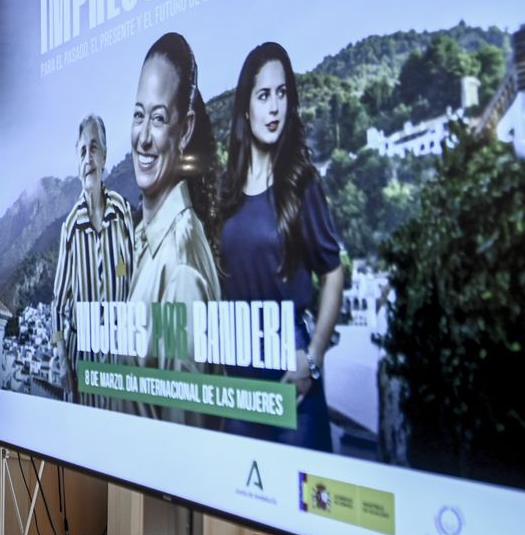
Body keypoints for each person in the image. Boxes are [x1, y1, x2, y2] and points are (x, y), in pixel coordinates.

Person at [218, 42, 346, 451]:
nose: (274, 107)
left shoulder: (301, 182)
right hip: (239, 375)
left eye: (282, 93)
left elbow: (332, 271)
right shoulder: (226, 194)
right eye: (263, 95)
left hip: (293, 372)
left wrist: (313, 357)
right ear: (246, 109)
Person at [124, 32, 223, 427]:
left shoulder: (181, 269)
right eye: (138, 114)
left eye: (160, 118)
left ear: (184, 130)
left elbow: (185, 446)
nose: (144, 137)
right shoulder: (139, 243)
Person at [52, 114, 134, 405]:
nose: (88, 158)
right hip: (81, 370)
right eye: (83, 151)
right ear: (78, 163)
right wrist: (63, 364)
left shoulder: (123, 213)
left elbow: (133, 283)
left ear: (105, 156)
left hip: (118, 368)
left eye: (94, 148)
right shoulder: (71, 228)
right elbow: (58, 307)